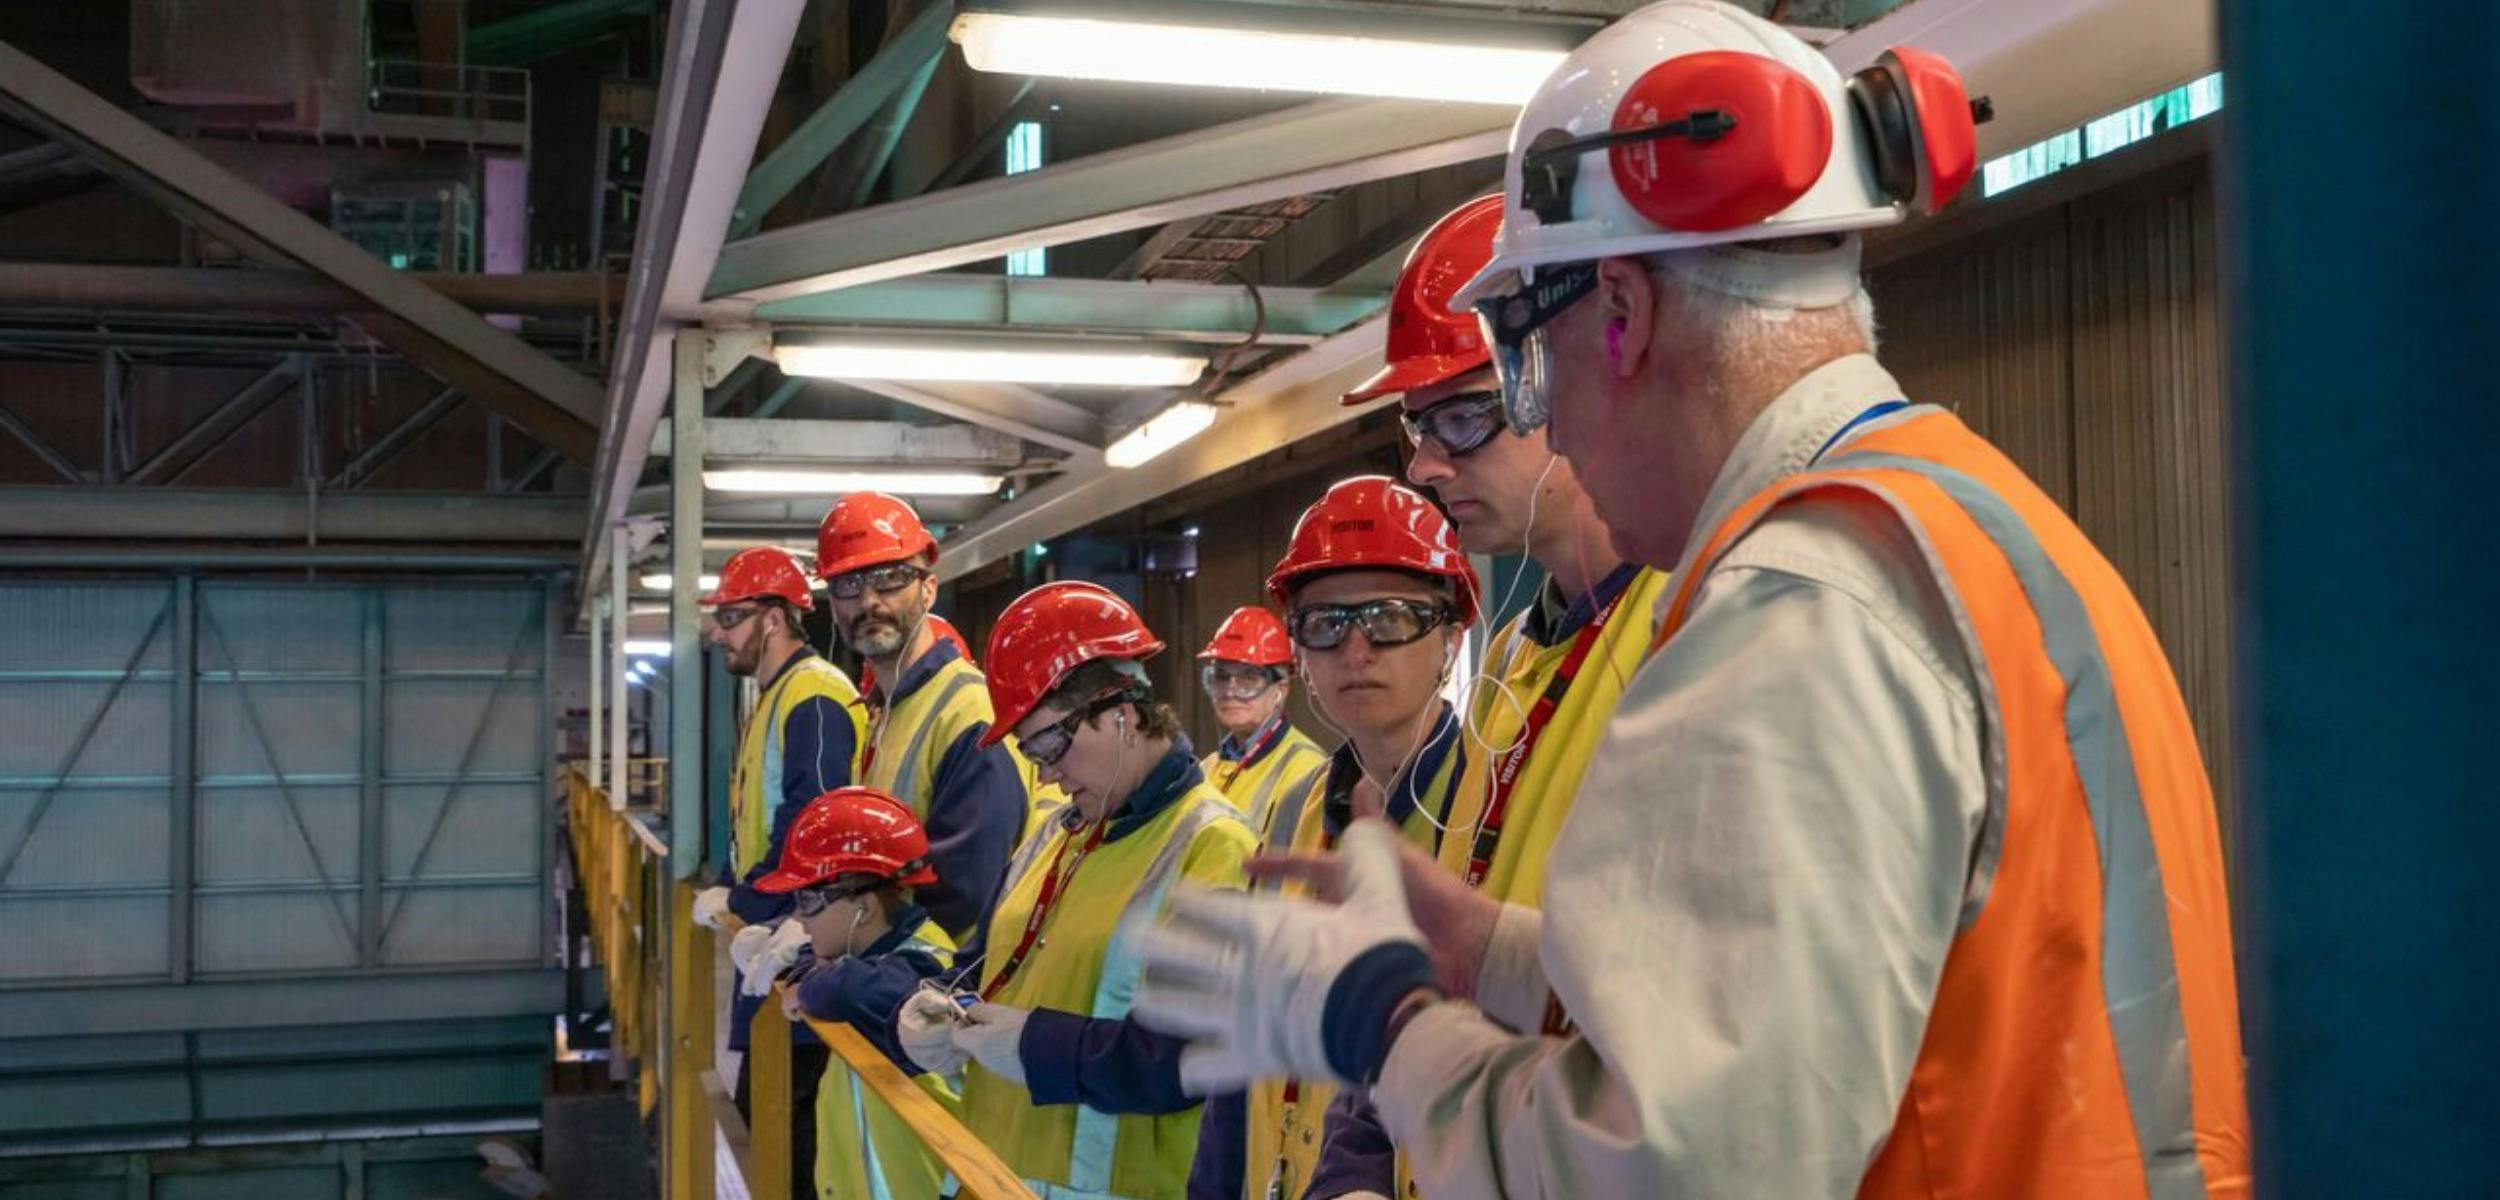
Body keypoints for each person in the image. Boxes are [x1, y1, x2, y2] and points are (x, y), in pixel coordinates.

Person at [1135, 4, 2252, 1198]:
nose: (1547, 422)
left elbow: (1672, 1170)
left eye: (1525, 369)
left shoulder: (1801, 605)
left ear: (1618, 314)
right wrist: (1487, 952)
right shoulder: (1976, 524)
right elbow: (1840, 1012)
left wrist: (1381, 1022)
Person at [1292, 192, 1680, 1200]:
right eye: (1416, 428)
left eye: (1464, 416)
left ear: (1588, 370)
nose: (1424, 465)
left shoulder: (1688, 633)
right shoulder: (1510, 660)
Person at [894, 581, 1255, 1200]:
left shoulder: (1213, 846)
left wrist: (1033, 1043)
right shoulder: (1054, 834)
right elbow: (994, 964)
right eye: (1028, 751)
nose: (1047, 772)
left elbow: (1185, 1059)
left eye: (1049, 743)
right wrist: (937, 1003)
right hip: (992, 1174)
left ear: (1123, 708)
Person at [1188, 477, 1477, 1200]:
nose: (1355, 648)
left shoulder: (1491, 804)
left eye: (1388, 618)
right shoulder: (1293, 810)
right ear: (1300, 658)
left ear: (1452, 636)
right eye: (1324, 623)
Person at [685, 545, 866, 1189]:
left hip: (803, 945)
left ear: (773, 619)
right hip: (781, 939)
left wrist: (749, 901)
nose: (717, 631)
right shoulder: (778, 696)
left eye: (730, 616)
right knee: (765, 1130)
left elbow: (814, 821)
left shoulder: (814, 696)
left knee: (781, 1139)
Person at [815, 491, 1033, 942]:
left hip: (943, 991)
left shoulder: (970, 713)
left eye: (890, 578)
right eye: (848, 585)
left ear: (929, 589)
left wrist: (852, 951)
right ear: (833, 603)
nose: (869, 601)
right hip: (897, 980)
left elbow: (963, 897)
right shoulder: (887, 711)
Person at [750, 786, 961, 1200]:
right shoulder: (874, 956)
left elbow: (853, 988)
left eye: (808, 900)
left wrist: (810, 984)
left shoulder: (929, 969)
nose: (801, 920)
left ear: (863, 907)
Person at [1194, 606, 1327, 838]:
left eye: (1248, 678)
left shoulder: (1307, 769)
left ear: (1281, 689)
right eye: (1221, 677)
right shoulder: (1206, 768)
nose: (1230, 691)